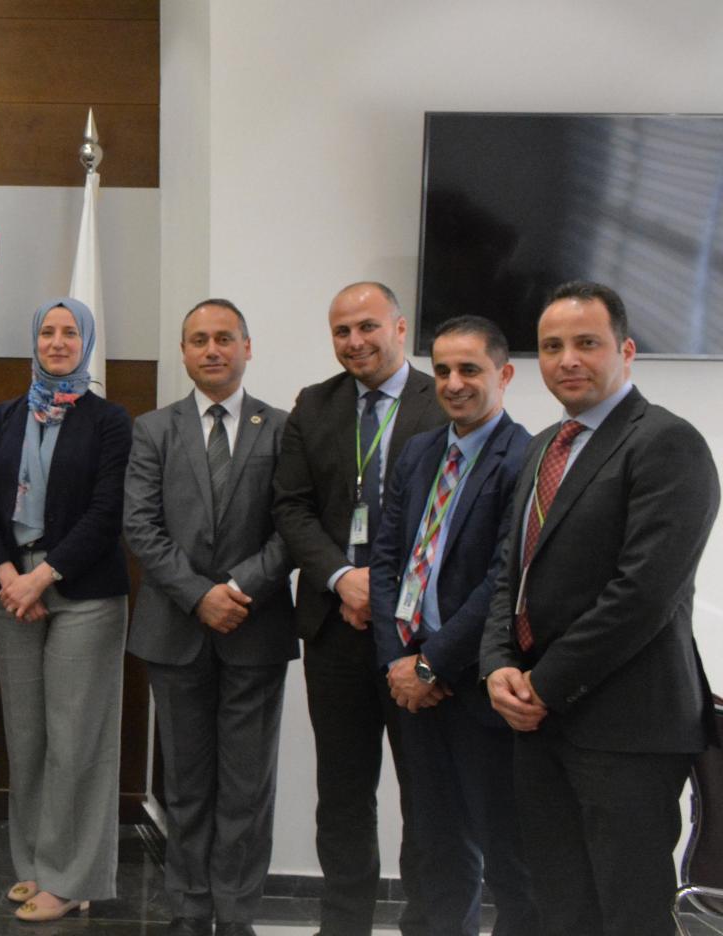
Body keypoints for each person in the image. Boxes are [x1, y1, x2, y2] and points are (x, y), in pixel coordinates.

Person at [480, 281, 718, 936]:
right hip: (542, 726)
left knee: (630, 912)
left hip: (628, 730)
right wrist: (498, 663)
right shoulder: (544, 448)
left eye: (587, 343)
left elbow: (642, 594)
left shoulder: (667, 444)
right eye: (552, 346)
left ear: (627, 350)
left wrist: (543, 684)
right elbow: (511, 575)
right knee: (560, 907)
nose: (567, 360)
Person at [271, 281, 444, 935]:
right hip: (335, 629)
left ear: (401, 329)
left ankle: (428, 924)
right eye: (342, 331)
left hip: (420, 637)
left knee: (428, 795)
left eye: (368, 327)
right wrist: (343, 577)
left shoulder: (444, 399)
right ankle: (343, 925)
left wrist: (391, 598)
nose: (355, 341)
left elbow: (454, 516)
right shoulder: (314, 405)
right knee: (342, 796)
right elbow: (290, 505)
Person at [122, 299, 293, 936]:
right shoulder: (153, 430)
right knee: (188, 785)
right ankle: (190, 908)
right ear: (185, 352)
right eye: (199, 340)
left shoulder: (281, 428)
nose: (212, 349)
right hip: (176, 630)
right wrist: (200, 595)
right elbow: (140, 525)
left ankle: (236, 912)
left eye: (225, 338)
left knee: (247, 789)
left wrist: (238, 588)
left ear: (247, 347)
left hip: (257, 629)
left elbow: (293, 526)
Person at [367, 314, 536, 936]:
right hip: (412, 677)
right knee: (433, 842)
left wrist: (434, 662)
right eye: (441, 370)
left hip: (474, 681)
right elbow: (386, 559)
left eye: (470, 369)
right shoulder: (419, 451)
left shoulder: (525, 456)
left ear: (505, 374)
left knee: (504, 848)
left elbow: (503, 578)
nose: (453, 383)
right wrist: (398, 660)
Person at [0, 297, 132, 923]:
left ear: (86, 342)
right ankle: (36, 864)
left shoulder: (108, 420)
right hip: (14, 590)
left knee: (77, 740)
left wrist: (41, 577)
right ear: (32, 341)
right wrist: (10, 575)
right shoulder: (6, 416)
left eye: (70, 333)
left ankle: (73, 878)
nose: (58, 342)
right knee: (30, 737)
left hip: (82, 592)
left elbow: (106, 511)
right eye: (47, 331)